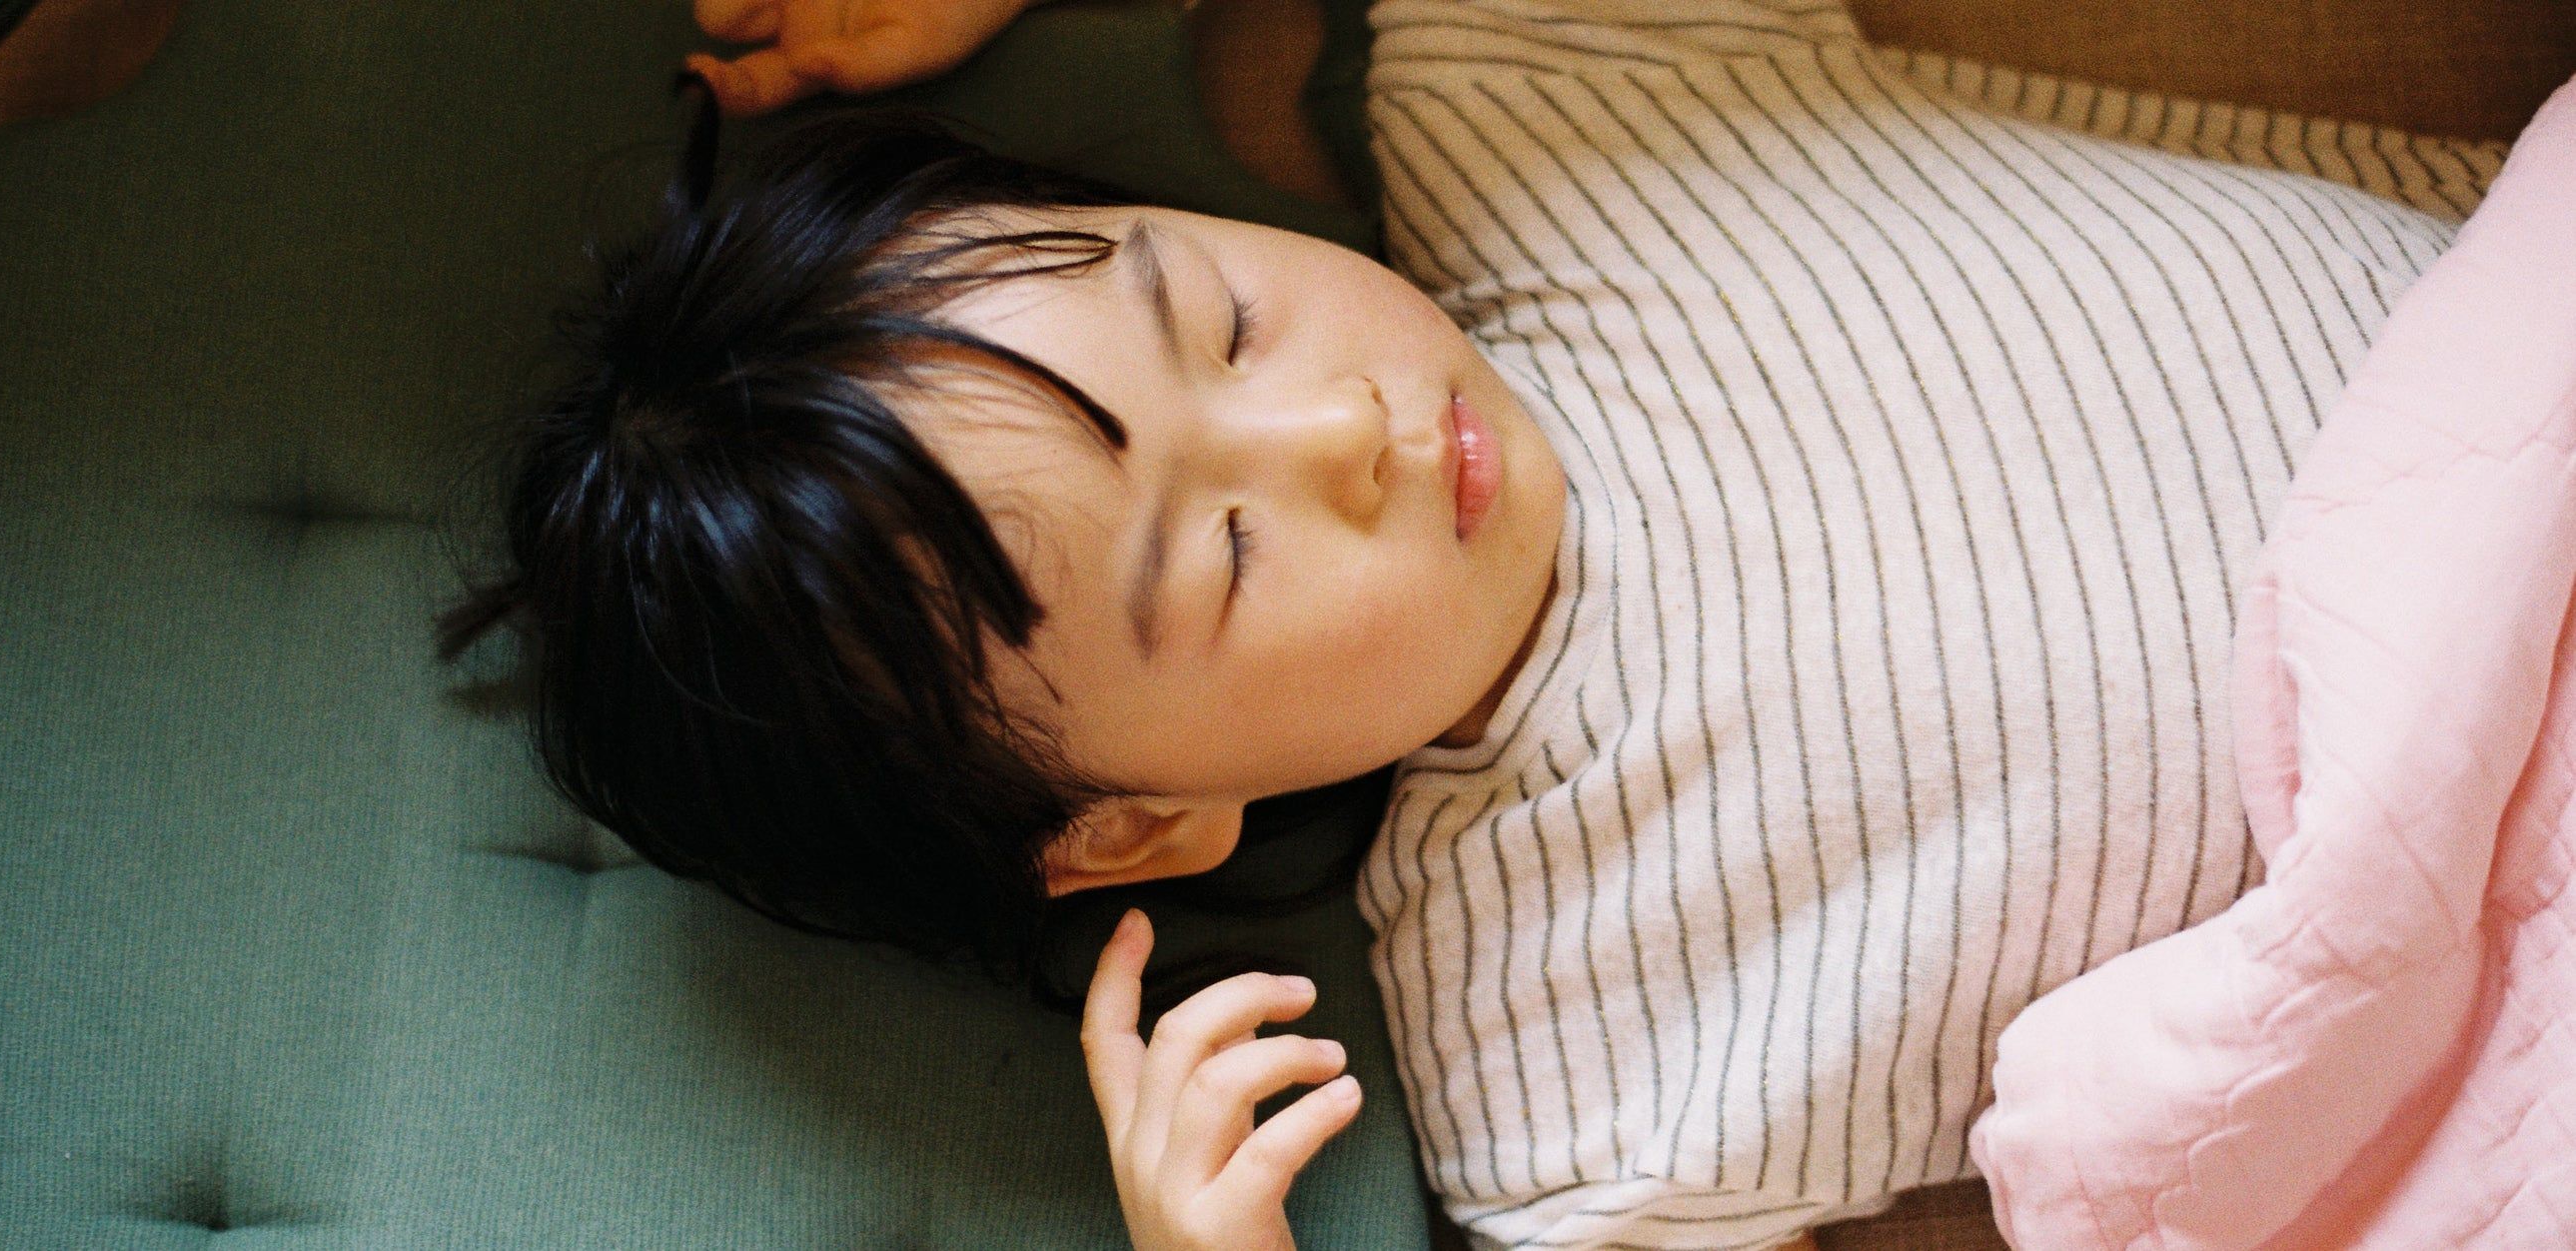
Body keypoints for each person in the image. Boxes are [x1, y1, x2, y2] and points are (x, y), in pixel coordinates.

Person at [458, 0, 2484, 1246]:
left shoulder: (1541, 102)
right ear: (1145, 822)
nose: (1338, 425)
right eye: (1221, 558)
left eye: (1223, 314)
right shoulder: (1567, 1052)